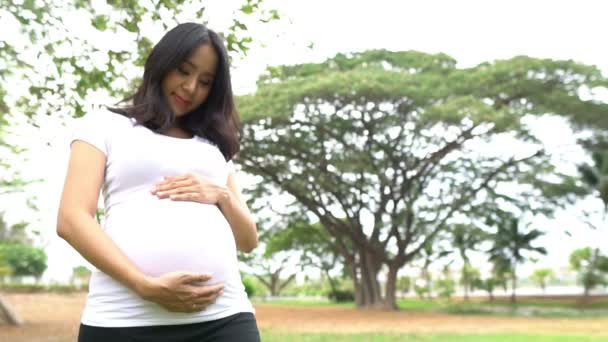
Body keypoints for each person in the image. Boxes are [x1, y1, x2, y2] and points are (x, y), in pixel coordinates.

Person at [57, 22, 260, 342]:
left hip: (224, 319)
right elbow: (72, 219)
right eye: (184, 70)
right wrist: (144, 285)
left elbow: (248, 241)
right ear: (162, 63)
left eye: (205, 81)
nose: (191, 87)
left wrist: (222, 195)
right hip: (124, 318)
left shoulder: (213, 145)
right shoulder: (104, 124)